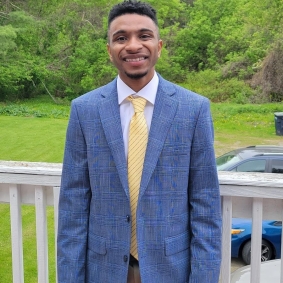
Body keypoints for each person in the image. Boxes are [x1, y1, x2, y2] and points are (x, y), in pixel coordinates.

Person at [57, 1, 222, 282]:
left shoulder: (193, 109)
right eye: (121, 38)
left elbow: (205, 206)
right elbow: (73, 207)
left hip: (171, 270)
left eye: (144, 36)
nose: (133, 45)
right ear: (109, 50)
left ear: (159, 45)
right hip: (104, 270)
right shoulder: (84, 110)